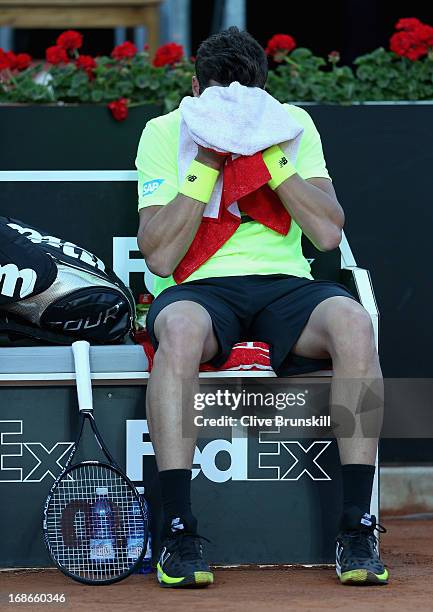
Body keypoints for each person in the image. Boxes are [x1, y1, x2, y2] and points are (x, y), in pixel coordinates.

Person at [136, 26, 387, 588]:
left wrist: (270, 156)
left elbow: (325, 233)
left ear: (262, 94)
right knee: (176, 329)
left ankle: (356, 524)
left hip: (286, 286)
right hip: (202, 289)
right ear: (196, 88)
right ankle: (176, 528)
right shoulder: (164, 131)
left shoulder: (292, 126)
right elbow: (158, 256)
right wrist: (205, 161)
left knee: (353, 322)